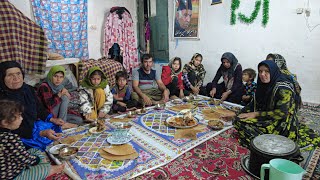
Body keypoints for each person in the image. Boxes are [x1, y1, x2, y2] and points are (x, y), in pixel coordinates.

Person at [230, 60, 320, 149]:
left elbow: (281, 113)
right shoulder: (262, 85)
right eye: (260, 71)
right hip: (267, 114)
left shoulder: (283, 89)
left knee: (242, 124)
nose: (262, 74)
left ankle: (268, 145)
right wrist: (237, 114)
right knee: (237, 119)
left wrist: (255, 114)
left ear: (273, 72)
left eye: (267, 71)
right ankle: (262, 140)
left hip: (281, 123)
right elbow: (253, 103)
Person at [0, 61, 63, 151]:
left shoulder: (28, 89)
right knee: (35, 147)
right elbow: (7, 127)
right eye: (10, 75)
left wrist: (52, 119)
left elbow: (38, 107)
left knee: (56, 127)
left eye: (18, 73)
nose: (16, 78)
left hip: (32, 125)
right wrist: (40, 133)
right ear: (2, 78)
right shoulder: (2, 100)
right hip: (16, 133)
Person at [0, 99, 64, 180]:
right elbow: (24, 159)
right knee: (42, 168)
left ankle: (42, 164)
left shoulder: (7, 135)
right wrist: (38, 160)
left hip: (13, 162)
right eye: (19, 116)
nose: (21, 119)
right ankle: (50, 170)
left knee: (34, 150)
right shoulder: (11, 138)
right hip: (12, 176)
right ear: (5, 122)